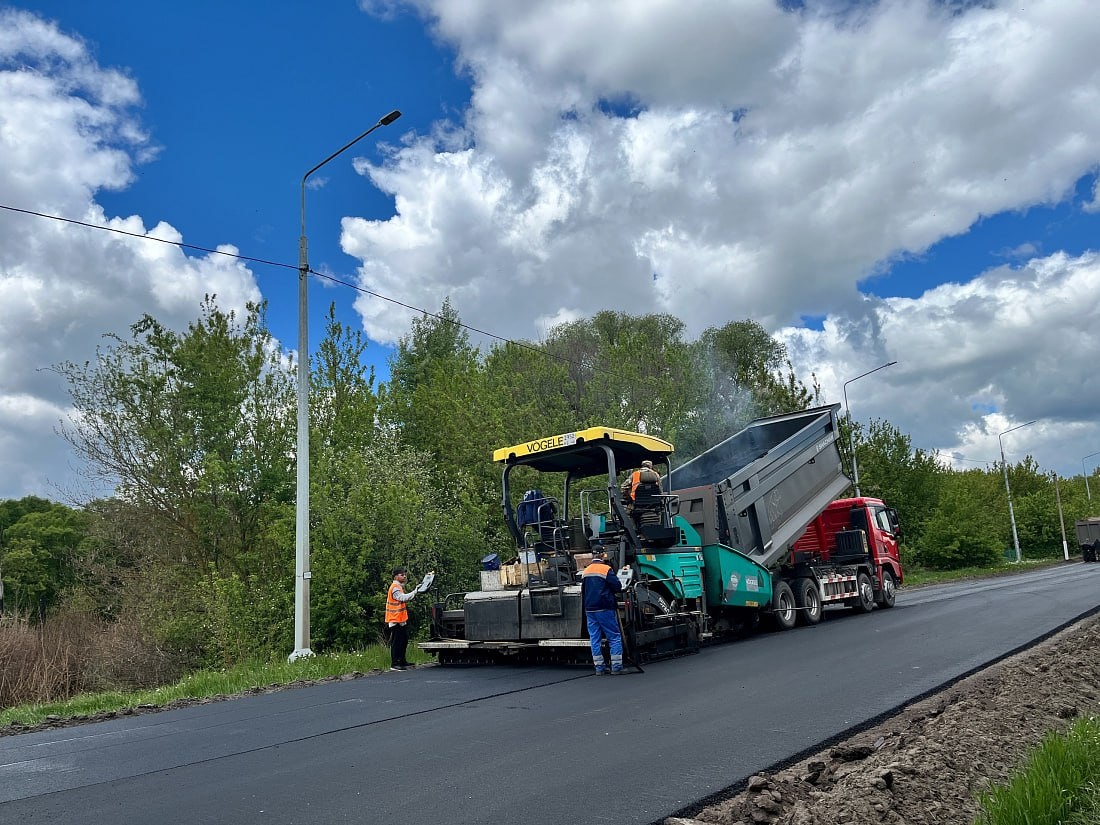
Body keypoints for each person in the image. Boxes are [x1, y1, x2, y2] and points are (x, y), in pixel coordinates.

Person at [582, 550, 624, 675]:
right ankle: (616, 667)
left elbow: (583, 590)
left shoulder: (586, 571)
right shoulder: (606, 569)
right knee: (614, 636)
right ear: (602, 556)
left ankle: (599, 668)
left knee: (594, 638)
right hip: (604, 607)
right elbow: (617, 586)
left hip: (590, 609)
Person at [385, 566, 429, 671]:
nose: (404, 576)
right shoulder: (395, 587)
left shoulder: (399, 586)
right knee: (397, 642)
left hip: (400, 619)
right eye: (402, 575)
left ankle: (402, 661)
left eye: (404, 574)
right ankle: (395, 663)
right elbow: (402, 598)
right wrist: (415, 591)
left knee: (403, 640)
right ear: (396, 576)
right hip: (395, 620)